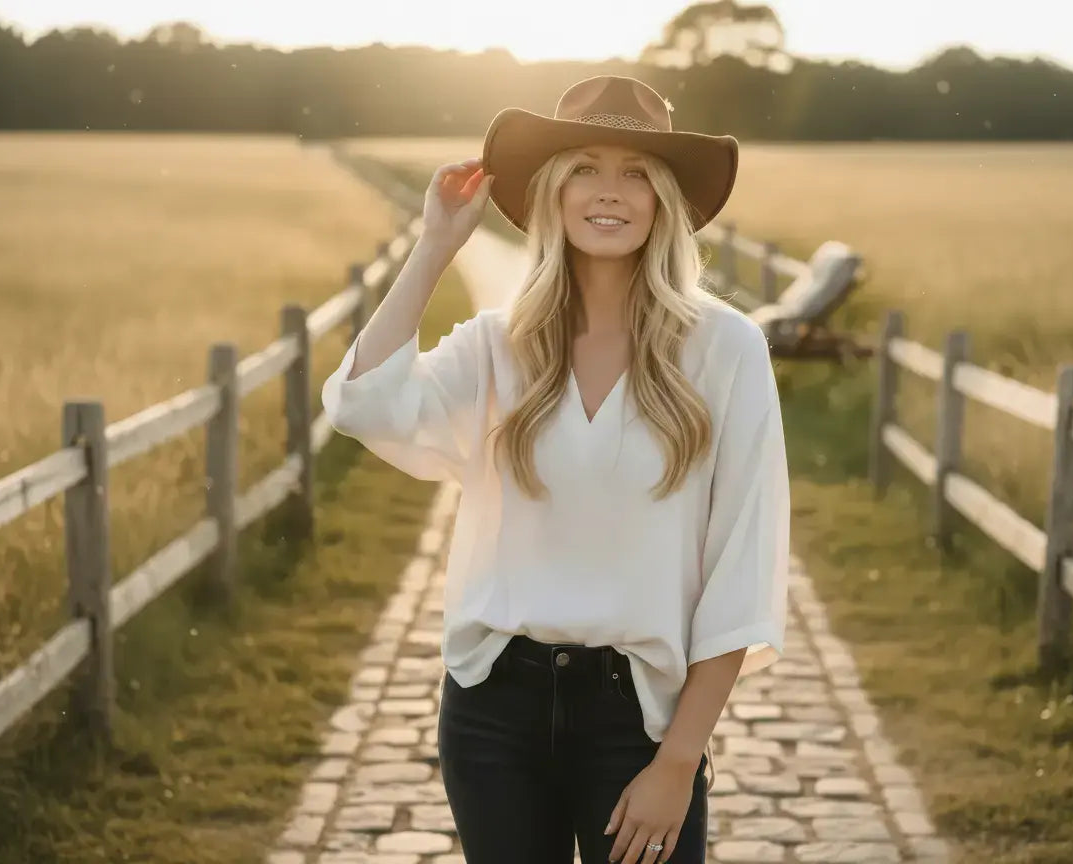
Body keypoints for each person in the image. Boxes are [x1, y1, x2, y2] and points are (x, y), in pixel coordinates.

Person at [321, 75, 790, 864]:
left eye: (637, 172)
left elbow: (738, 576)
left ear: (665, 200)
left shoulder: (727, 350)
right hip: (492, 710)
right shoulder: (496, 344)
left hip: (639, 720)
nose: (610, 192)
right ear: (552, 192)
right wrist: (435, 243)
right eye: (584, 167)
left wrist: (678, 762)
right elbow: (366, 404)